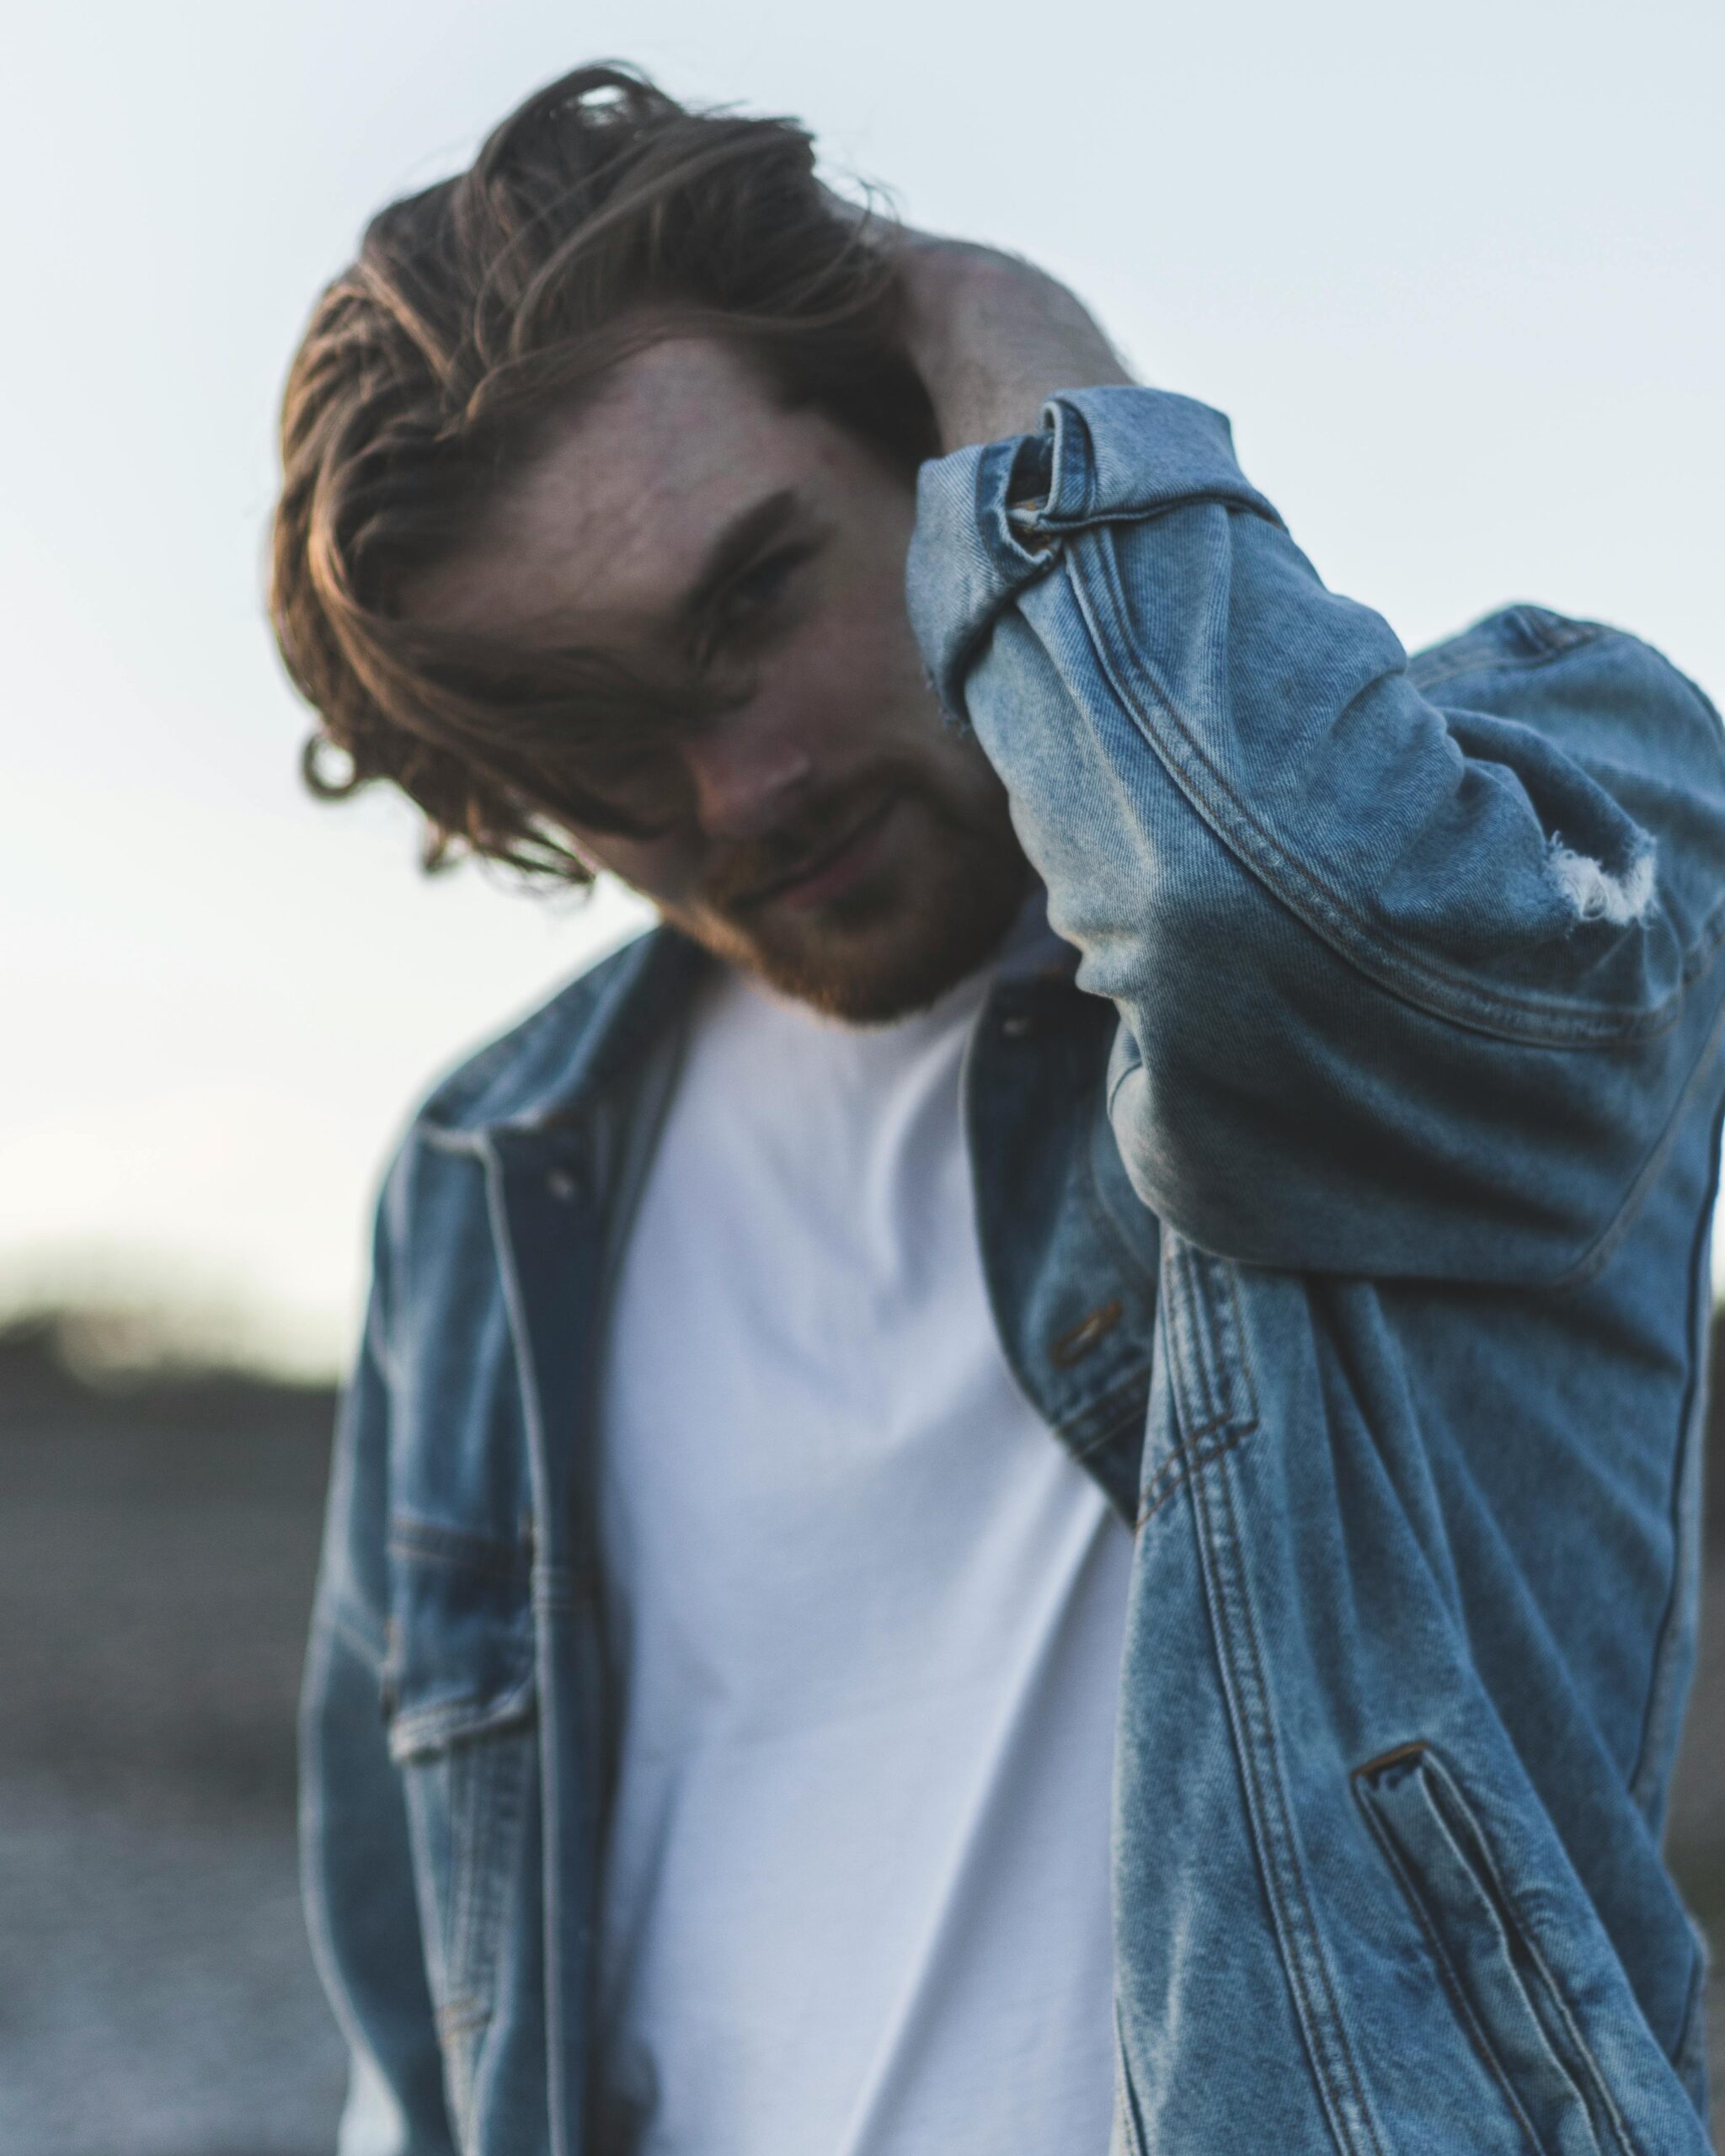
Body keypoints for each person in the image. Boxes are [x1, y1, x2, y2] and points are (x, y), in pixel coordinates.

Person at [271, 63, 1725, 2156]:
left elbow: (1253, 924)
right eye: (600, 754)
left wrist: (972, 308)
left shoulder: (1526, 822)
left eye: (758, 600)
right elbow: (434, 2022)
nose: (737, 788)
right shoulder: (497, 1180)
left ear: (928, 441)